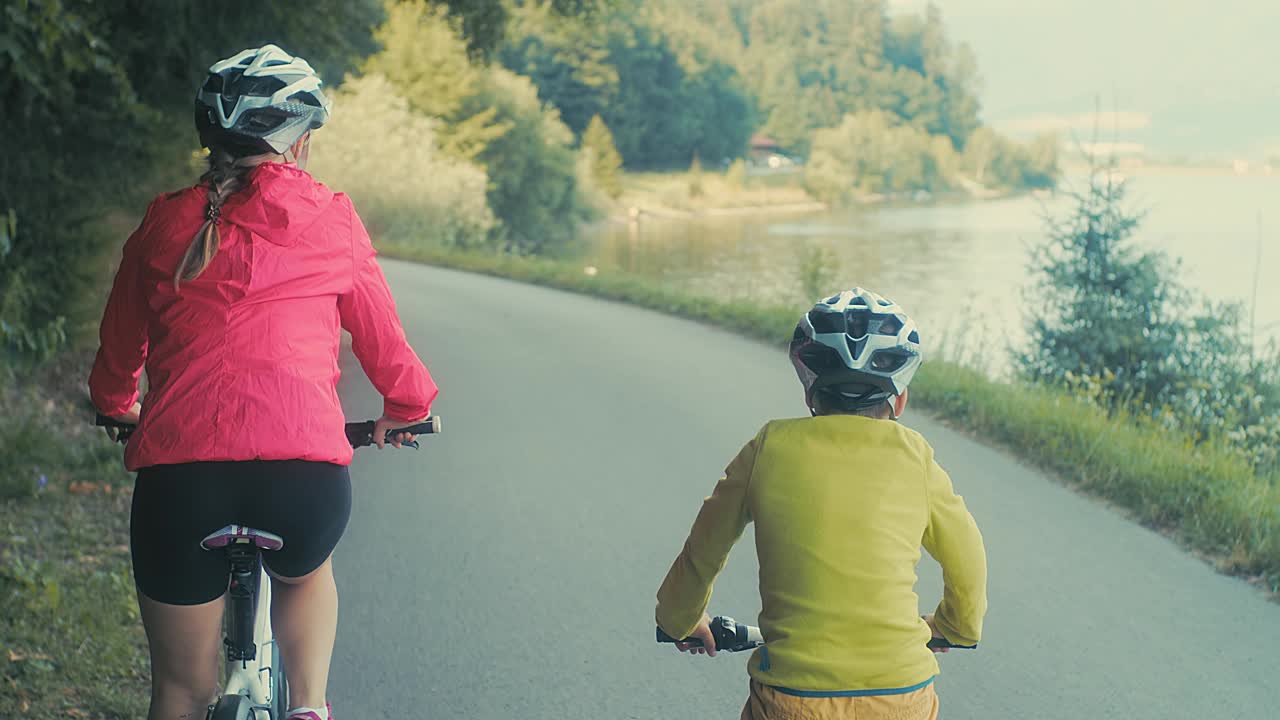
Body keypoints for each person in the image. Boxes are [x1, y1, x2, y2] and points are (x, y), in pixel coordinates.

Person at [88, 44, 437, 720]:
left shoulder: (162, 222)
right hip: (302, 483)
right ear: (297, 143)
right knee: (304, 576)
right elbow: (385, 344)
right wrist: (407, 407)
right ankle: (308, 707)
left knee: (179, 693)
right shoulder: (331, 217)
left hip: (179, 486)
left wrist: (115, 404)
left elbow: (118, 345)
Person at [655, 288, 987, 720]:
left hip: (791, 698)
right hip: (901, 695)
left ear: (810, 394)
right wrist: (956, 626)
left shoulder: (768, 447)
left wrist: (679, 619)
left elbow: (703, 551)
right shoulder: (915, 456)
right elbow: (968, 559)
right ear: (900, 400)